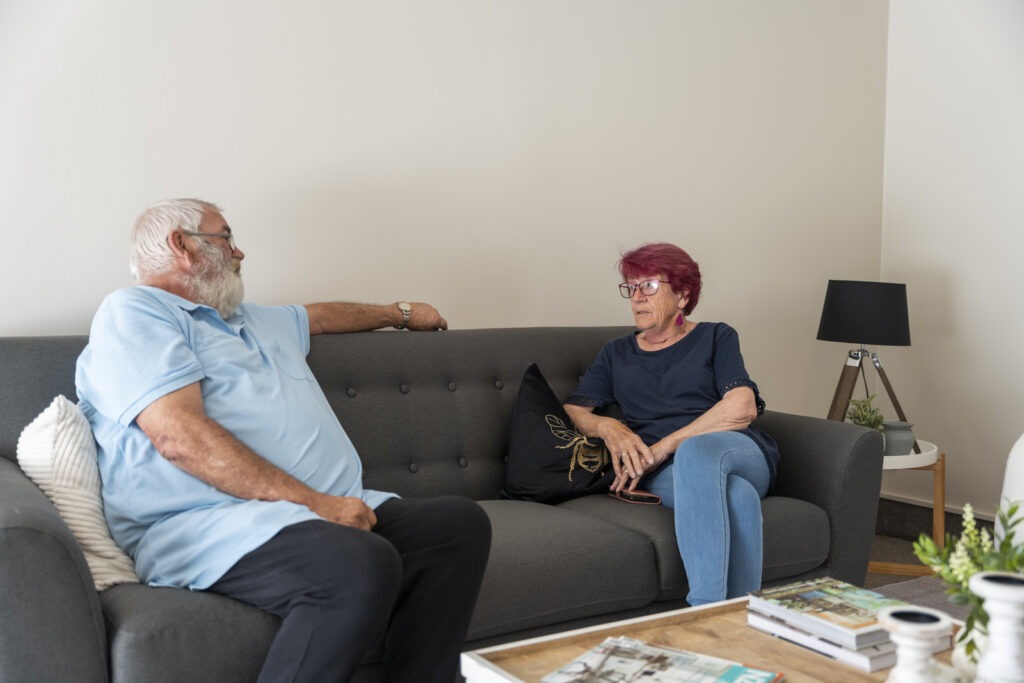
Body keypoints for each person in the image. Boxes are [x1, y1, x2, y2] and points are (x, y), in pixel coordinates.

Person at [75, 198, 491, 682]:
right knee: (358, 564)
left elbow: (319, 317)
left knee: (456, 525)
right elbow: (178, 436)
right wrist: (317, 504)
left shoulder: (247, 318)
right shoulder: (136, 312)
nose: (240, 252)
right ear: (181, 245)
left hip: (315, 511)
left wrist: (398, 312)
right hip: (211, 525)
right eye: (226, 237)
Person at [563, 242, 779, 606]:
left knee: (697, 451)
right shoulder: (617, 353)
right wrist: (608, 427)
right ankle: (743, 620)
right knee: (738, 497)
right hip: (663, 471)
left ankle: (702, 611)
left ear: (682, 294)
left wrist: (664, 446)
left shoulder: (715, 337)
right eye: (630, 288)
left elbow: (741, 407)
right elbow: (575, 408)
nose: (636, 298)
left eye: (648, 286)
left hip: (732, 450)